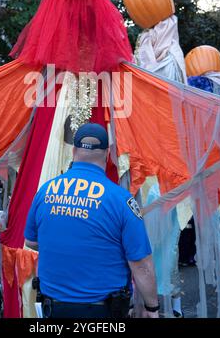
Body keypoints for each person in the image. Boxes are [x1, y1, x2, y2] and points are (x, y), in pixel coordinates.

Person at [24, 123, 159, 318]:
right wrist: (151, 307)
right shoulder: (121, 200)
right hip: (101, 311)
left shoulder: (45, 191)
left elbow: (31, 241)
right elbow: (141, 264)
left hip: (53, 309)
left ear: (74, 151)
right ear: (107, 153)